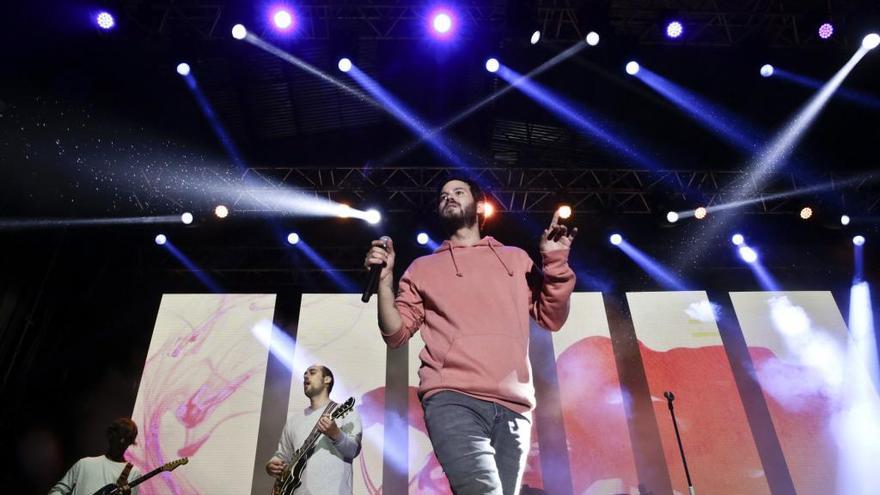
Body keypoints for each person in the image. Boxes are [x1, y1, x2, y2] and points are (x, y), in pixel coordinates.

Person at [364, 177, 577, 494]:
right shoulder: (422, 268)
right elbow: (396, 334)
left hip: (514, 406)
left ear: (480, 207)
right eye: (442, 196)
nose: (448, 198)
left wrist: (556, 261)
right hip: (453, 398)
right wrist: (385, 281)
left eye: (458, 192)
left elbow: (551, 317)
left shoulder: (515, 258)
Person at [266, 364, 363, 495]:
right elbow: (282, 455)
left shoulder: (347, 411)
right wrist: (272, 465)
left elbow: (353, 450)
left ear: (327, 380)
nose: (306, 376)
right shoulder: (293, 421)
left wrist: (336, 434)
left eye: (312, 372)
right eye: (304, 374)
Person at [49, 418, 141, 495]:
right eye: (119, 436)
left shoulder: (133, 472)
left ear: (131, 442)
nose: (121, 442)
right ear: (110, 435)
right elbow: (57, 491)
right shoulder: (84, 464)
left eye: (127, 439)